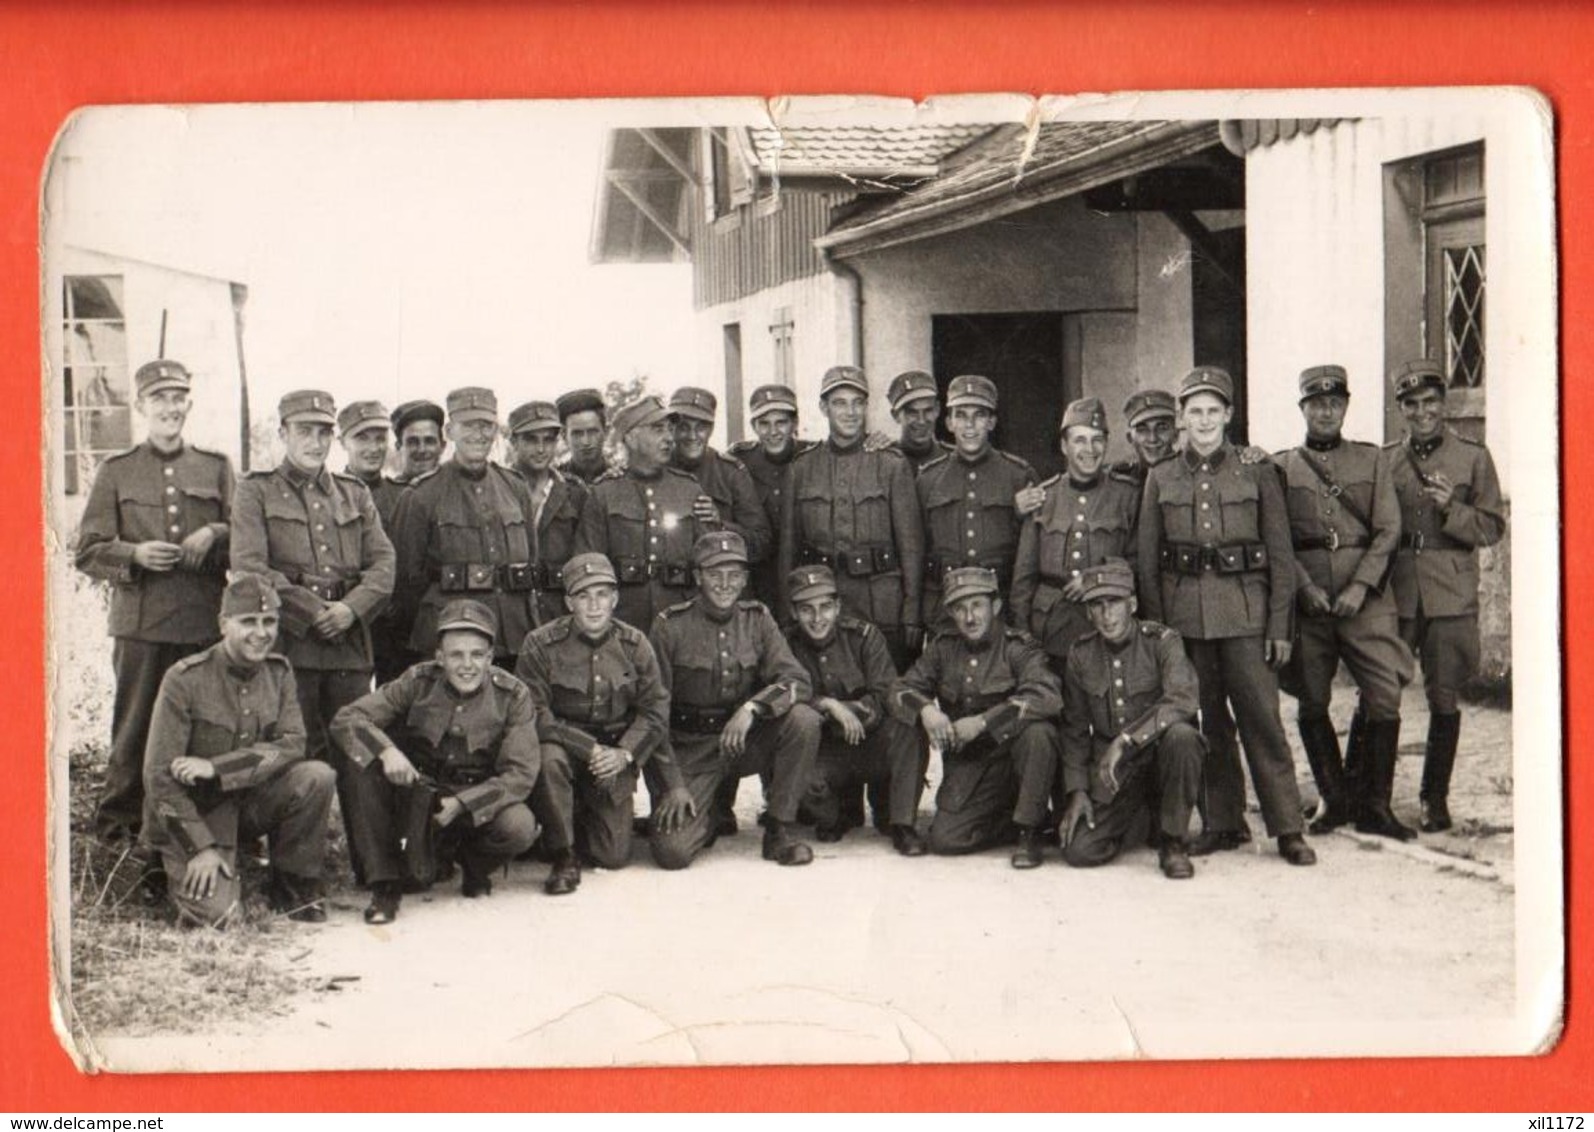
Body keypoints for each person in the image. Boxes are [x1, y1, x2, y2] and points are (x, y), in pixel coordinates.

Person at [1136, 366, 1317, 866]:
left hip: (1246, 619)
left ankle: (1287, 828)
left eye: (1213, 410)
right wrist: (1158, 633)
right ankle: (1222, 822)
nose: (1204, 420)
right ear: (1181, 417)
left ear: (1229, 415)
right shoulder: (1161, 476)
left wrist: (1280, 626)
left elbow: (1280, 556)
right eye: (1194, 411)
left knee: (1263, 721)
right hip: (1186, 624)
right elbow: (1148, 562)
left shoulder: (1256, 470)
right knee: (1209, 722)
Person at [231, 389, 395, 881]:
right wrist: (311, 611)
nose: (315, 440)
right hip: (291, 647)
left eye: (324, 431)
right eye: (305, 430)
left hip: (347, 646)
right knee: (296, 759)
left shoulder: (354, 493)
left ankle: (376, 870)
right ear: (282, 433)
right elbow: (250, 567)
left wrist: (349, 609)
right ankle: (299, 876)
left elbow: (383, 565)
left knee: (358, 750)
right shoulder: (255, 491)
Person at [74, 358, 235, 844]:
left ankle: (205, 831)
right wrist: (135, 553)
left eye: (177, 397)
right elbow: (87, 552)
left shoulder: (216, 466)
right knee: (134, 730)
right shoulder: (117, 471)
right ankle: (119, 832)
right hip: (140, 627)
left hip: (202, 624)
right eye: (159, 398)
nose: (169, 407)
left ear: (189, 403)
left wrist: (215, 530)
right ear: (141, 406)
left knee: (205, 730)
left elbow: (248, 535)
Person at [141, 573, 336, 926]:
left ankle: (292, 887)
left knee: (316, 776)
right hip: (197, 814)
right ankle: (164, 861)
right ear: (223, 624)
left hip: (249, 804)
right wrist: (198, 846)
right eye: (248, 622)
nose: (261, 633)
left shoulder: (279, 672)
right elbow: (158, 777)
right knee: (220, 918)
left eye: (270, 622)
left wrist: (219, 768)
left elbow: (292, 744)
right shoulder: (184, 679)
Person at [330, 599, 540, 923]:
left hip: (474, 801)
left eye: (476, 655)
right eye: (456, 655)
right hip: (420, 795)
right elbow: (347, 719)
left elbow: (520, 774)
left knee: (519, 826)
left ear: (490, 657)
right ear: (439, 657)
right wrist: (387, 751)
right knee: (362, 763)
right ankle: (384, 884)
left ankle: (473, 864)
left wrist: (463, 803)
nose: (467, 665)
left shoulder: (513, 695)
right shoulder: (417, 681)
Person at [1274, 364, 1415, 840]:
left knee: (1384, 694)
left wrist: (1360, 587)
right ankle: (1334, 802)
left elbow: (1389, 530)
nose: (1326, 411)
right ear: (1303, 409)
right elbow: (1277, 539)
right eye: (1316, 403)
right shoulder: (1283, 466)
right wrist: (1302, 588)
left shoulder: (1371, 461)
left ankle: (1376, 805)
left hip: (1365, 599)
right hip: (1310, 600)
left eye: (1334, 402)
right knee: (1312, 697)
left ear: (1346, 406)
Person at [647, 532, 823, 870]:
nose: (725, 584)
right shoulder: (670, 626)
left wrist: (753, 708)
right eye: (715, 575)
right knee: (673, 853)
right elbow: (653, 714)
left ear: (745, 579)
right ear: (698, 577)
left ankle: (778, 828)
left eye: (734, 575)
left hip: (743, 740)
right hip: (691, 748)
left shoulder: (757, 619)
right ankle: (708, 813)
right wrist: (671, 785)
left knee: (804, 719)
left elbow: (797, 681)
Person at [1385, 359, 1507, 832]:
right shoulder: (1388, 458)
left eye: (1430, 402)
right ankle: (1363, 793)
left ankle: (1434, 799)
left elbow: (1493, 526)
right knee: (1380, 691)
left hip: (1450, 593)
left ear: (1445, 404)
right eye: (1412, 404)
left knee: (1444, 697)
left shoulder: (1473, 457)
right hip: (1398, 591)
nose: (1422, 412)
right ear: (1401, 408)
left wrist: (1451, 509)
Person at [516, 553, 671, 894]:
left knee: (612, 855)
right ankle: (564, 854)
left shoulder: (635, 644)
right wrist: (588, 749)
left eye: (602, 595)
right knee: (548, 758)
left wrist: (624, 755)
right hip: (566, 749)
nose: (594, 606)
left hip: (613, 758)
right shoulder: (540, 645)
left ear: (615, 599)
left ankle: (573, 817)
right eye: (583, 596)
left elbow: (655, 709)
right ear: (569, 601)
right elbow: (534, 712)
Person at [889, 566, 1062, 867]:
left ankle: (1029, 831)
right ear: (951, 614)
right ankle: (1010, 819)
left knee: (1040, 733)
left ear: (995, 606)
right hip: (972, 764)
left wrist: (984, 722)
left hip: (1015, 757)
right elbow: (900, 689)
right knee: (945, 841)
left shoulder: (1018, 647)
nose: (970, 617)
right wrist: (926, 709)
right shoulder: (943, 649)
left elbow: (1047, 697)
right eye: (960, 608)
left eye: (977, 605)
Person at [1057, 559, 1204, 879]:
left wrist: (1126, 740)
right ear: (1088, 612)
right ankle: (1142, 817)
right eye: (1097, 605)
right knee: (1080, 851)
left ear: (1133, 604)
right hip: (1118, 771)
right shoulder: (1081, 654)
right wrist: (1078, 791)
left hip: (1157, 753)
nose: (1106, 615)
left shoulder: (1162, 641)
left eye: (1115, 604)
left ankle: (1174, 841)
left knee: (1182, 736)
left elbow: (1183, 699)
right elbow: (1076, 728)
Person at [779, 365, 925, 668]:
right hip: (821, 606)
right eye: (840, 403)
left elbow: (911, 546)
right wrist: (787, 612)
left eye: (858, 403)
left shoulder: (891, 463)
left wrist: (912, 611)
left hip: (881, 605)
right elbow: (788, 551)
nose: (850, 412)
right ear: (823, 408)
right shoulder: (802, 468)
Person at [389, 387, 540, 671]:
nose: (479, 434)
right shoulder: (421, 494)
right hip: (451, 640)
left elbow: (531, 560)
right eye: (469, 425)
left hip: (512, 637)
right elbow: (406, 584)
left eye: (486, 426)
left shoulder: (514, 487)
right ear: (450, 431)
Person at [785, 564, 928, 855]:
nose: (817, 618)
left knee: (909, 724)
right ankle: (837, 816)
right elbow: (784, 695)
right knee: (800, 777)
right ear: (793, 612)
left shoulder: (864, 637)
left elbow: (886, 692)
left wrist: (853, 709)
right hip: (825, 750)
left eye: (825, 607)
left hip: (871, 741)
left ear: (838, 607)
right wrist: (827, 705)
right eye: (806, 609)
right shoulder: (785, 644)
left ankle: (902, 823)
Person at [1011, 396, 1141, 671]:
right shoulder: (1043, 498)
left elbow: (1139, 560)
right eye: (1079, 440)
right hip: (1051, 629)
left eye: (1097, 440)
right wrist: (1023, 639)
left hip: (1109, 628)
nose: (1090, 449)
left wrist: (1097, 579)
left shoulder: (1126, 495)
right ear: (1064, 446)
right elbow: (1024, 578)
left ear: (1106, 443)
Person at [574, 394, 709, 634]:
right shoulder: (604, 493)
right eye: (658, 429)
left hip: (683, 622)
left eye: (669, 429)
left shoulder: (689, 489)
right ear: (631, 439)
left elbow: (708, 560)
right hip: (624, 623)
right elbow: (590, 567)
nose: (669, 438)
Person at [916, 374, 1038, 634]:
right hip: (943, 609)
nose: (969, 425)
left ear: (992, 422)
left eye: (979, 415)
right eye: (961, 415)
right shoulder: (928, 479)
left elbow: (1031, 551)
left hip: (997, 606)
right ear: (948, 422)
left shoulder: (1018, 475)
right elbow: (917, 549)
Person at [727, 383, 818, 608]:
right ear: (754, 426)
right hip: (759, 576)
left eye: (781, 422)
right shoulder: (739, 461)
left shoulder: (813, 457)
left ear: (795, 423)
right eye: (764, 424)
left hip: (806, 571)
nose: (773, 432)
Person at [668, 386, 772, 571]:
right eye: (684, 427)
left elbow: (761, 543)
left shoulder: (730, 472)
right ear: (671, 428)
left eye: (701, 427)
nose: (692, 436)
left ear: (712, 429)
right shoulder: (658, 468)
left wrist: (720, 525)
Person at [506, 400, 588, 626]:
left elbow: (585, 557)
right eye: (531, 440)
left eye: (548, 440)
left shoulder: (575, 492)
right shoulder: (498, 489)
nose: (541, 449)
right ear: (513, 441)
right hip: (511, 615)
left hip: (559, 613)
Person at [337, 399, 405, 531]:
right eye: (362, 439)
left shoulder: (403, 497)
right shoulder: (330, 497)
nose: (373, 448)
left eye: (380, 439)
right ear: (343, 443)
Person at [1107, 388, 1180, 491]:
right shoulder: (1119, 482)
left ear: (1176, 435)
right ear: (1130, 438)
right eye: (1142, 429)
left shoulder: (1189, 477)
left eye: (1162, 428)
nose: (1152, 438)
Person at [886, 370, 953, 472]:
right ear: (895, 416)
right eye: (912, 412)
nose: (921, 420)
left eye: (928, 410)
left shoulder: (954, 460)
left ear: (937, 409)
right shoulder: (884, 460)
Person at [556, 388, 613, 486]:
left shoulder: (623, 478)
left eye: (592, 432)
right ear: (564, 437)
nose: (585, 442)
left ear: (606, 432)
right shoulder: (554, 482)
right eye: (577, 434)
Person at [390, 399, 445, 485]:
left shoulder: (460, 490)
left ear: (442, 446)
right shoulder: (381, 495)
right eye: (413, 442)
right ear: (398, 446)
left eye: (429, 441)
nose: (422, 449)